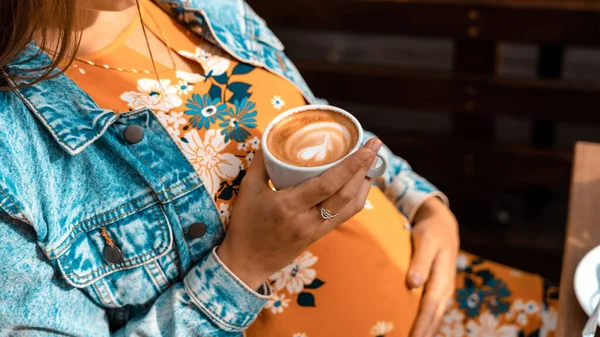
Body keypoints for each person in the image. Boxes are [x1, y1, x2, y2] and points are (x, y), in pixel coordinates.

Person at [0, 1, 558, 336]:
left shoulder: (200, 5)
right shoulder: (11, 150)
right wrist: (242, 265)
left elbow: (315, 122)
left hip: (454, 295)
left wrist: (421, 203)